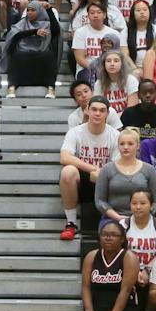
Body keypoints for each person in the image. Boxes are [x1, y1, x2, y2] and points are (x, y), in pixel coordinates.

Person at [59, 96, 119, 241]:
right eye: (94, 109)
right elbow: (64, 157)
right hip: (83, 180)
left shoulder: (115, 135)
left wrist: (102, 174)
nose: (97, 113)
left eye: (102, 110)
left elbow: (118, 166)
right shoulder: (75, 132)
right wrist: (93, 169)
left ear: (107, 114)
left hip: (106, 180)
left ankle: (116, 221)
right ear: (87, 110)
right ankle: (71, 223)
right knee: (67, 172)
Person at [94, 128, 156, 228]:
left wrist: (139, 218)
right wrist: (119, 218)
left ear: (138, 146)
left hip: (142, 220)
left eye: (130, 144)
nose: (125, 147)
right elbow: (100, 201)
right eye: (122, 144)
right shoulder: (107, 169)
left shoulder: (149, 170)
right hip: (112, 220)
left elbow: (155, 202)